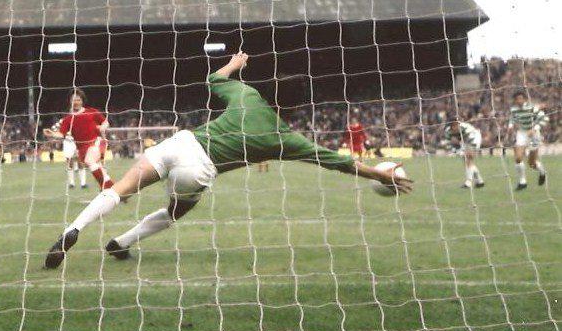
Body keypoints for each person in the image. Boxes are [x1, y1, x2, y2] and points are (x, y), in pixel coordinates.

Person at [44, 53, 413, 268]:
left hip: (180, 142)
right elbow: (338, 162)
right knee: (174, 213)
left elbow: (212, 78)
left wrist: (234, 63)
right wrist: (379, 175)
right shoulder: (287, 138)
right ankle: (122, 242)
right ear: (298, 107)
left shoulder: (246, 94)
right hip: (198, 170)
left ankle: (74, 228)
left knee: (119, 189)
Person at [43, 90, 112, 190]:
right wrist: (52, 133)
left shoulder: (91, 112)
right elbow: (61, 134)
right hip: (82, 149)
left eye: (78, 100)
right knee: (99, 168)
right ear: (70, 102)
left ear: (82, 101)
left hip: (97, 142)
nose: (76, 102)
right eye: (73, 100)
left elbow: (105, 122)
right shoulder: (68, 119)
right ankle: (111, 188)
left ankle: (105, 187)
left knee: (90, 160)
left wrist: (103, 127)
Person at [507, 90, 547, 190]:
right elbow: (512, 119)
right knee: (518, 158)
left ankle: (542, 172)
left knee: (532, 163)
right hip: (521, 133)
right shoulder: (513, 109)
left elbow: (544, 118)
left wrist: (534, 129)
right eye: (517, 99)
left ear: (524, 99)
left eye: (521, 99)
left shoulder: (532, 108)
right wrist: (510, 126)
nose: (519, 101)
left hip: (534, 135)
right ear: (515, 101)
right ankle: (522, 182)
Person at [444, 118, 485, 189]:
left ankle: (468, 182)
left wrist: (465, 150)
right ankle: (479, 181)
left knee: (468, 157)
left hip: (474, 138)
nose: (455, 127)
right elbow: (449, 144)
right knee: (467, 161)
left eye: (456, 125)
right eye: (453, 126)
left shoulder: (466, 128)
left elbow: (471, 140)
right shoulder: (448, 132)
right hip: (464, 141)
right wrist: (456, 150)